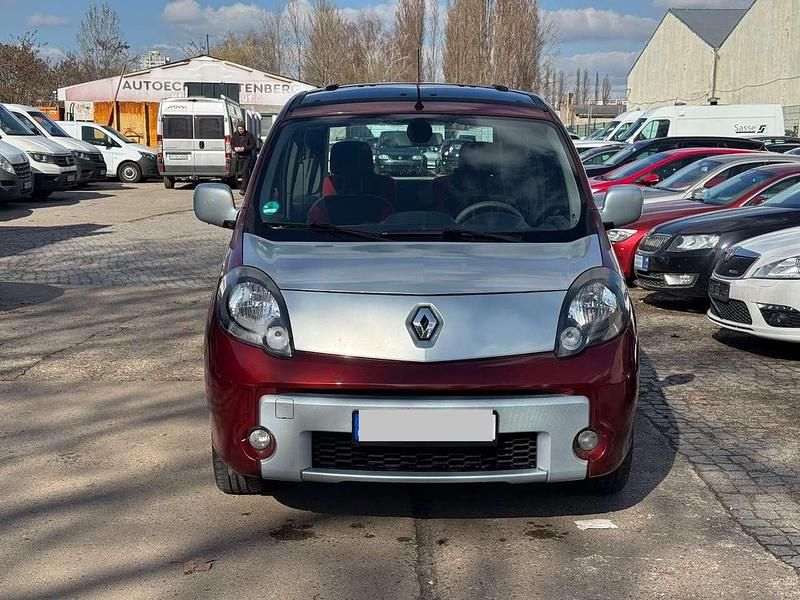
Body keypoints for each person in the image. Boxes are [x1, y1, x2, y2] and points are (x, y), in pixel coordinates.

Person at [231, 121, 257, 195]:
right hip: (238, 156)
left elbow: (252, 145)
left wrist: (244, 148)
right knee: (240, 173)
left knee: (245, 172)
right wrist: (235, 148)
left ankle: (243, 189)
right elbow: (232, 144)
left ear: (244, 128)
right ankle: (247, 186)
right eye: (239, 129)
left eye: (241, 129)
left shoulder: (249, 135)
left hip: (247, 157)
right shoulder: (235, 135)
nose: (240, 131)